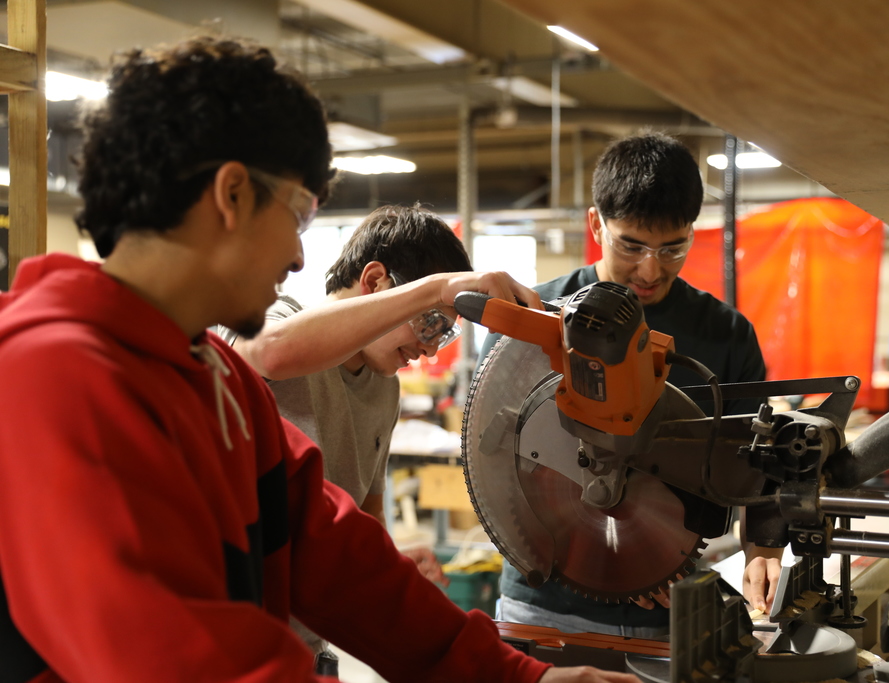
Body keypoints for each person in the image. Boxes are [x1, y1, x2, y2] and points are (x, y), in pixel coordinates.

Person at [0, 37, 641, 683]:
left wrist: (520, 677)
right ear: (232, 194)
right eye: (300, 212)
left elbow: (338, 558)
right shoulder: (52, 376)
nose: (301, 258)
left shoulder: (216, 377)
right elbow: (171, 654)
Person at [479, 132, 781, 639]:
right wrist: (614, 559)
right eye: (632, 245)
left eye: (672, 248)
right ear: (596, 224)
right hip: (546, 605)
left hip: (670, 609)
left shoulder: (726, 335)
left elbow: (755, 461)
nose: (650, 269)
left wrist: (763, 550)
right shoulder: (533, 322)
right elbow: (490, 461)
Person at [217, 203, 529, 668]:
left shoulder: (385, 388)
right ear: (376, 281)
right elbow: (267, 353)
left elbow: (365, 512)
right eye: (431, 323)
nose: (428, 349)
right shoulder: (276, 317)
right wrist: (438, 288)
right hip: (230, 645)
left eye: (442, 336)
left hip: (304, 646)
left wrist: (396, 566)